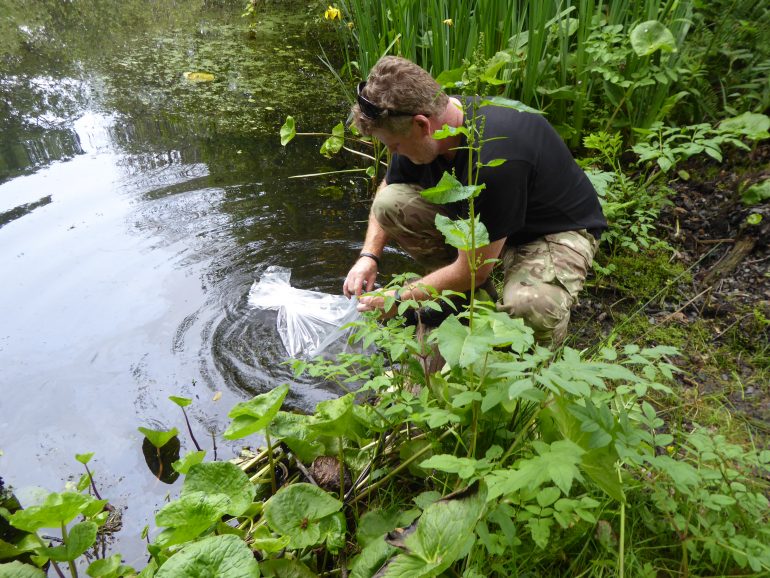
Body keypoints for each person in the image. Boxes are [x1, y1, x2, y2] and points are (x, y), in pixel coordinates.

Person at [342, 55, 607, 345]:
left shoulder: (495, 156)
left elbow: (474, 269)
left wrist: (398, 298)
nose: (394, 154)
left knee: (530, 306)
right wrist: (369, 256)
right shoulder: (430, 123)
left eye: (395, 146)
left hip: (549, 231)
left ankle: (536, 364)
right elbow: (388, 185)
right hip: (485, 223)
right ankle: (460, 298)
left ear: (422, 125)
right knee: (389, 204)